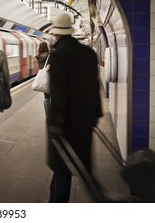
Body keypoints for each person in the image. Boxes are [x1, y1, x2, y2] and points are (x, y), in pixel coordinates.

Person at [46, 13, 102, 203]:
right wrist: (96, 115)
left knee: (63, 167)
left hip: (66, 123)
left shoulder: (58, 56)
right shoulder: (89, 54)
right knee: (75, 164)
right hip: (85, 121)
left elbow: (59, 95)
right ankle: (53, 200)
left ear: (56, 34)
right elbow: (96, 88)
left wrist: (56, 124)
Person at [36, 42, 51, 115]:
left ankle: (47, 113)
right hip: (49, 77)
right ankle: (52, 112)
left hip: (43, 78)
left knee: (46, 97)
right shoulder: (48, 55)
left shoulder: (38, 57)